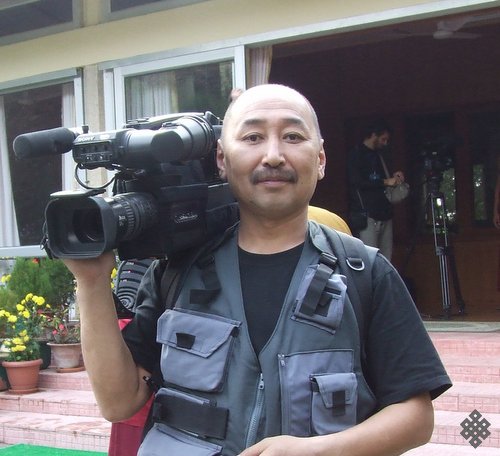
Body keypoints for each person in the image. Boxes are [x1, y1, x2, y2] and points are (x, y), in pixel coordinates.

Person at [62, 84, 451, 456]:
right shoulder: (177, 270)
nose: (274, 156)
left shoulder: (364, 272)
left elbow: (416, 417)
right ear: (222, 159)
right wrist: (91, 282)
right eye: (252, 138)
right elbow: (119, 402)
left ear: (320, 159)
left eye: (293, 137)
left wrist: (319, 451)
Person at [347, 120, 406, 261]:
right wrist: (385, 182)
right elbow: (357, 182)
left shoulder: (381, 155)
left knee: (386, 258)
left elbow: (386, 178)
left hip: (385, 212)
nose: (385, 143)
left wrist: (394, 177)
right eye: (383, 139)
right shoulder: (356, 155)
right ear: (374, 135)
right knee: (369, 258)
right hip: (368, 214)